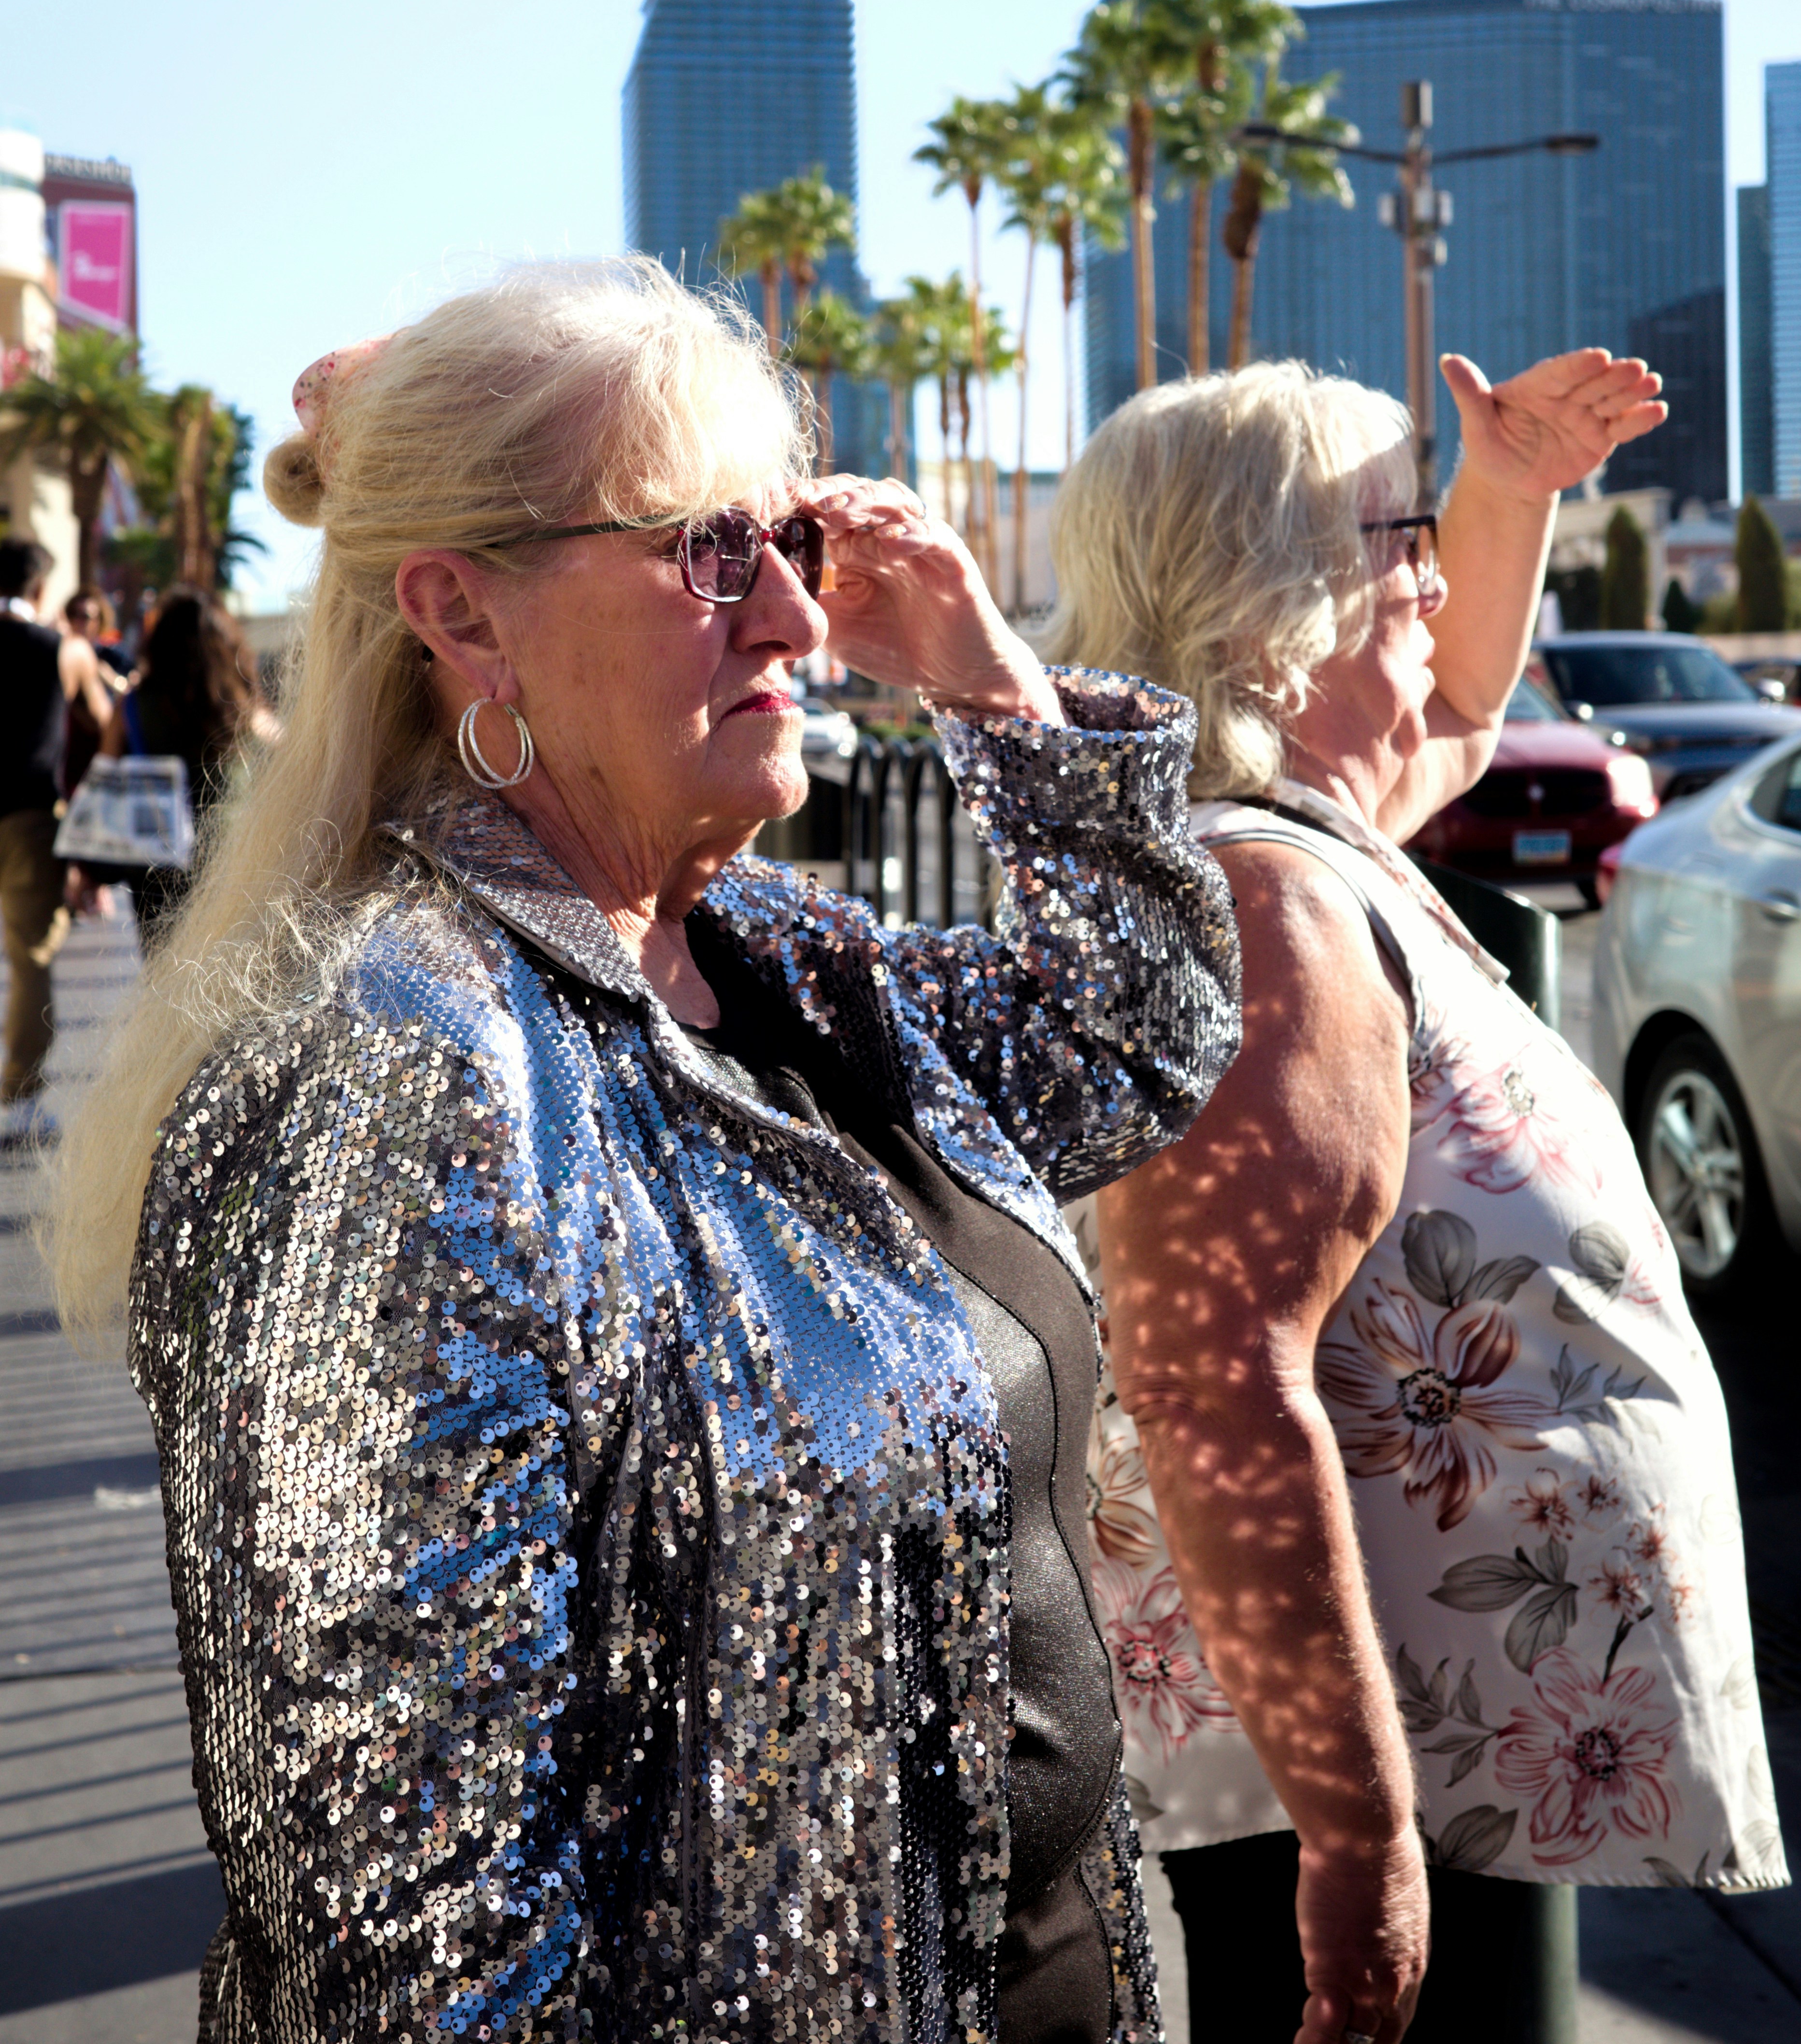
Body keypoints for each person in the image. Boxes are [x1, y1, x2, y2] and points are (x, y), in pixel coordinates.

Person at [47, 259, 1242, 2044]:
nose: (793, 621)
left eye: (794, 545)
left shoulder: (777, 954)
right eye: (702, 549)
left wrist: (996, 692)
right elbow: (410, 1917)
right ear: (463, 615)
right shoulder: (394, 1080)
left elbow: (1135, 1034)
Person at [1044, 351, 1788, 2044]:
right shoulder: (1260, 900)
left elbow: (1449, 702)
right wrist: (1353, 1826)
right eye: (1401, 536)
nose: (1435, 572)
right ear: (1273, 601)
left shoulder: (1311, 832)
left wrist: (1507, 481)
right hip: (1354, 1786)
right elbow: (1208, 1380)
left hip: (1449, 1753)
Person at [93, 585, 272, 943]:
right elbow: (286, 750)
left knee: (162, 966)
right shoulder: (239, 706)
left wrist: (88, 866)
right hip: (228, 853)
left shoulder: (133, 704)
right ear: (223, 645)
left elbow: (105, 776)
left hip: (155, 859)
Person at [0, 538, 70, 1140]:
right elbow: (103, 716)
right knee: (30, 958)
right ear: (41, 589)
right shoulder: (57, 649)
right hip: (28, 817)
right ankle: (19, 1094)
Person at [57, 588, 122, 797]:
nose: (80, 622)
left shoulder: (113, 656)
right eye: (74, 615)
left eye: (87, 616)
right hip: (70, 752)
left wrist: (109, 677)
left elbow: (129, 696)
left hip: (102, 749)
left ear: (99, 620)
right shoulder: (60, 652)